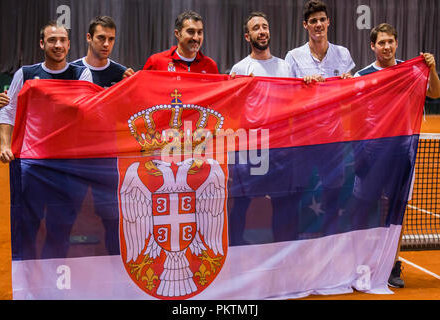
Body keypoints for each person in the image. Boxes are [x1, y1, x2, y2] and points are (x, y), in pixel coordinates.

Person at [353, 23, 440, 288]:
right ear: (372, 46)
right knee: (365, 210)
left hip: (404, 153)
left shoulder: (413, 70)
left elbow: (435, 93)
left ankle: (393, 264)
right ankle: (362, 264)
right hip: (371, 154)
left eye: (390, 41)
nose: (387, 46)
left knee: (397, 213)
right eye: (381, 42)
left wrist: (432, 69)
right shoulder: (363, 75)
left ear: (397, 43)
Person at [0, 21, 93, 260]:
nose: (58, 45)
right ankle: (27, 278)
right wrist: (4, 145)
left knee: (60, 227)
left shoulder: (81, 74)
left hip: (68, 166)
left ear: (69, 45)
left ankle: (52, 282)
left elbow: (91, 110)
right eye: (52, 40)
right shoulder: (26, 74)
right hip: (32, 164)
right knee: (28, 223)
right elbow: (8, 111)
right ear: (42, 44)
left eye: (62, 40)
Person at [283, 0, 355, 236]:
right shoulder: (293, 57)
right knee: (298, 191)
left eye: (322, 19)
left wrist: (348, 83)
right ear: (305, 25)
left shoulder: (342, 54)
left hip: (333, 139)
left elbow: (350, 96)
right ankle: (295, 242)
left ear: (328, 22)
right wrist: (303, 88)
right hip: (303, 139)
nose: (318, 24)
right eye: (313, 21)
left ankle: (329, 241)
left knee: (333, 191)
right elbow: (288, 97)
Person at [69, 16, 135, 255]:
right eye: (101, 38)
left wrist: (131, 90)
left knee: (111, 216)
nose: (106, 44)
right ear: (89, 38)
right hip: (75, 157)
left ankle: (116, 268)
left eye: (111, 39)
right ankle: (55, 270)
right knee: (68, 212)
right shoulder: (72, 70)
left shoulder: (121, 74)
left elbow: (130, 114)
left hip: (107, 157)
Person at [229, 12, 295, 244]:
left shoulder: (285, 67)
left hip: (280, 150)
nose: (262, 31)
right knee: (242, 202)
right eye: (256, 28)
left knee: (281, 203)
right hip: (251, 149)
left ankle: (281, 253)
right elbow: (232, 110)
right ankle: (234, 249)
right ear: (248, 36)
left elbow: (297, 103)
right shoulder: (239, 69)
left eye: (265, 26)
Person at [143, 10, 218, 74]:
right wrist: (131, 78)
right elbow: (141, 88)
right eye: (191, 32)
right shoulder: (156, 62)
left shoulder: (210, 65)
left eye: (199, 32)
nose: (196, 38)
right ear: (177, 34)